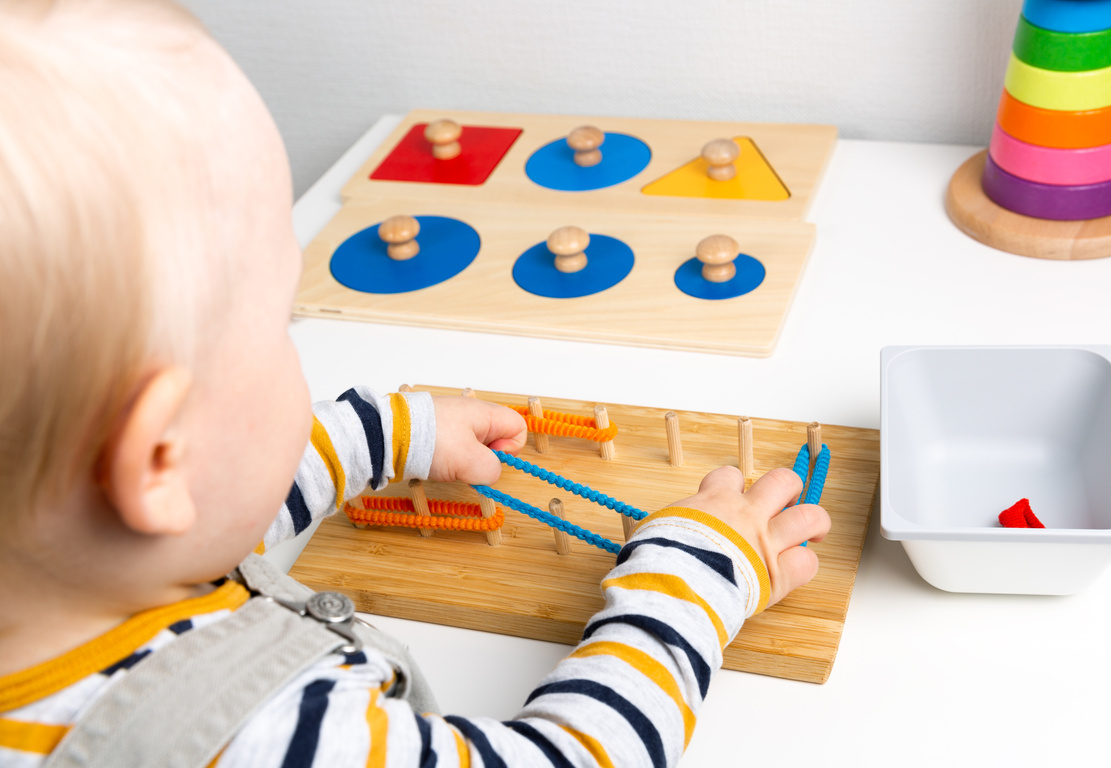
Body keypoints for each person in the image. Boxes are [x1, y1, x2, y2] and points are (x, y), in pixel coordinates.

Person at [0, 1, 832, 765]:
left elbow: (220, 498)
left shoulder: (64, 568)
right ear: (158, 459)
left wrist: (388, 434)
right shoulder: (267, 739)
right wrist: (691, 580)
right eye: (275, 328)